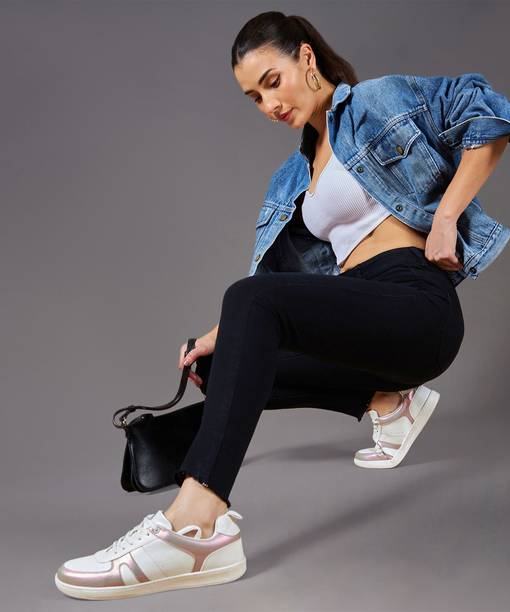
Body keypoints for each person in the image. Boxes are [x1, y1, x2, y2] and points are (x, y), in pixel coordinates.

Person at [54, 11, 510, 601]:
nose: (269, 104)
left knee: (246, 306)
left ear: (306, 58)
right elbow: (275, 290)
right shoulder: (292, 179)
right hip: (365, 324)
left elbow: (489, 112)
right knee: (222, 362)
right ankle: (386, 398)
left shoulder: (375, 102)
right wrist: (214, 337)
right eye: (254, 97)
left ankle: (196, 525)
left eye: (273, 81)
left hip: (417, 306)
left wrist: (446, 218)